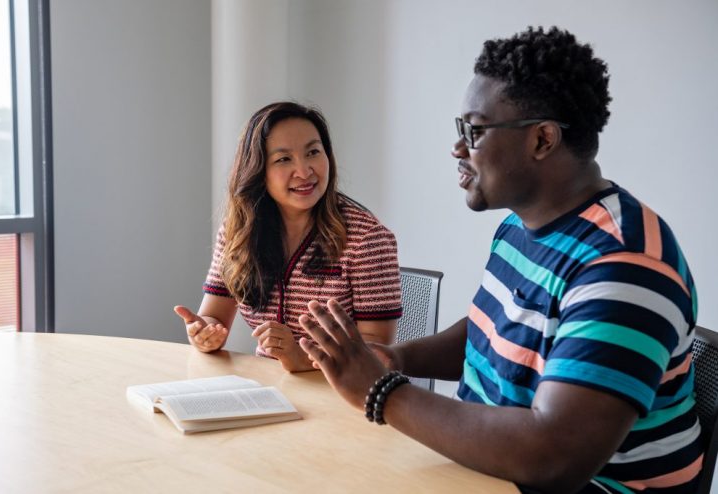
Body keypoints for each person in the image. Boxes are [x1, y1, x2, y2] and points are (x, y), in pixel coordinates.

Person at [296, 27, 704, 493]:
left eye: (475, 130)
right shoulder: (521, 225)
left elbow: (554, 456)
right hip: (488, 475)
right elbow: (489, 333)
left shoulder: (625, 264)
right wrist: (395, 358)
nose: (458, 148)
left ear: (542, 140)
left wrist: (380, 392)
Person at [174, 102, 402, 373]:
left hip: (342, 398)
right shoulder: (239, 231)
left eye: (313, 152)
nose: (305, 172)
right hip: (269, 389)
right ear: (258, 170)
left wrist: (302, 358)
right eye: (284, 159)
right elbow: (214, 315)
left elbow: (377, 354)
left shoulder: (368, 239)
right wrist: (204, 333)